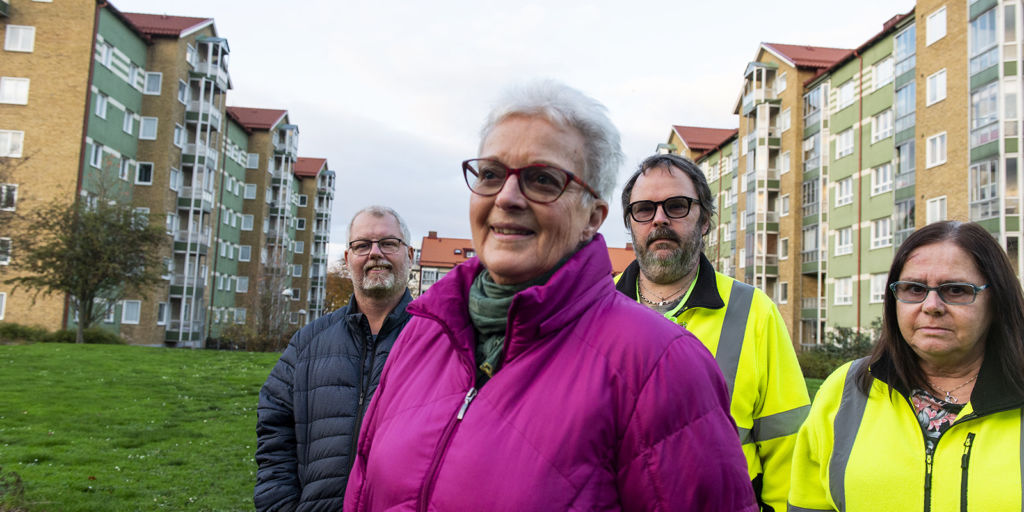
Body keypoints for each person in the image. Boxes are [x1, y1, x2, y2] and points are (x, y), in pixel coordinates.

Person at [344, 81, 756, 511]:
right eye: (490, 174)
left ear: (592, 218)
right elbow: (363, 488)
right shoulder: (422, 334)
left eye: (542, 179)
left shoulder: (661, 365)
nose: (506, 197)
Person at [614, 153, 809, 511]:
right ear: (630, 223)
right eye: (643, 209)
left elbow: (789, 441)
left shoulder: (753, 311)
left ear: (704, 220)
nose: (659, 219)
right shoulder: (597, 307)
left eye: (676, 206)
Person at [788, 221, 1024, 511]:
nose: (931, 305)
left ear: (997, 301)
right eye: (914, 288)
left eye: (956, 290)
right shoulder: (847, 389)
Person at [254, 206, 415, 512]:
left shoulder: (438, 343)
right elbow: (274, 430)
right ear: (347, 259)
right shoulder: (308, 343)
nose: (375, 254)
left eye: (389, 243)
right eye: (362, 245)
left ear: (409, 255)